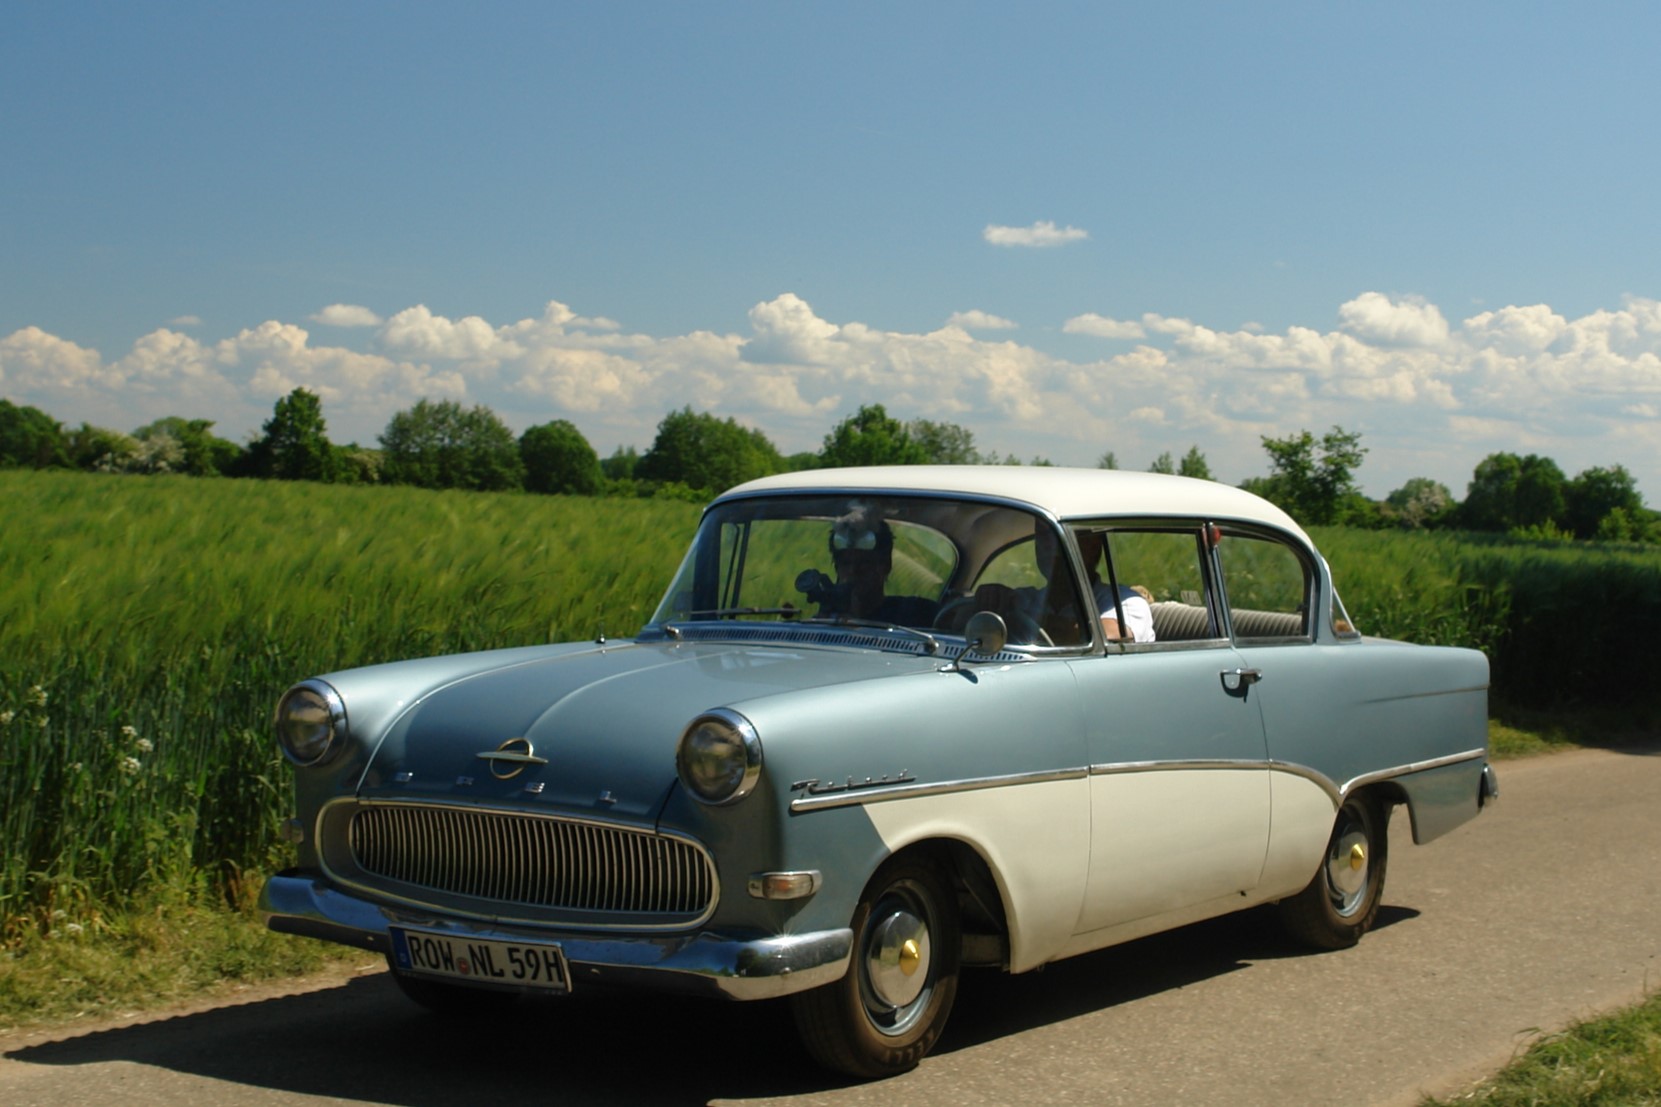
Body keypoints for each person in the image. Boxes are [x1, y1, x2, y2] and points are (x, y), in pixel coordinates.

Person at [810, 504, 938, 626]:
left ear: (886, 565)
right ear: (837, 568)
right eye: (845, 563)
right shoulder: (825, 622)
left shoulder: (916, 613)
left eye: (864, 562)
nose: (853, 570)